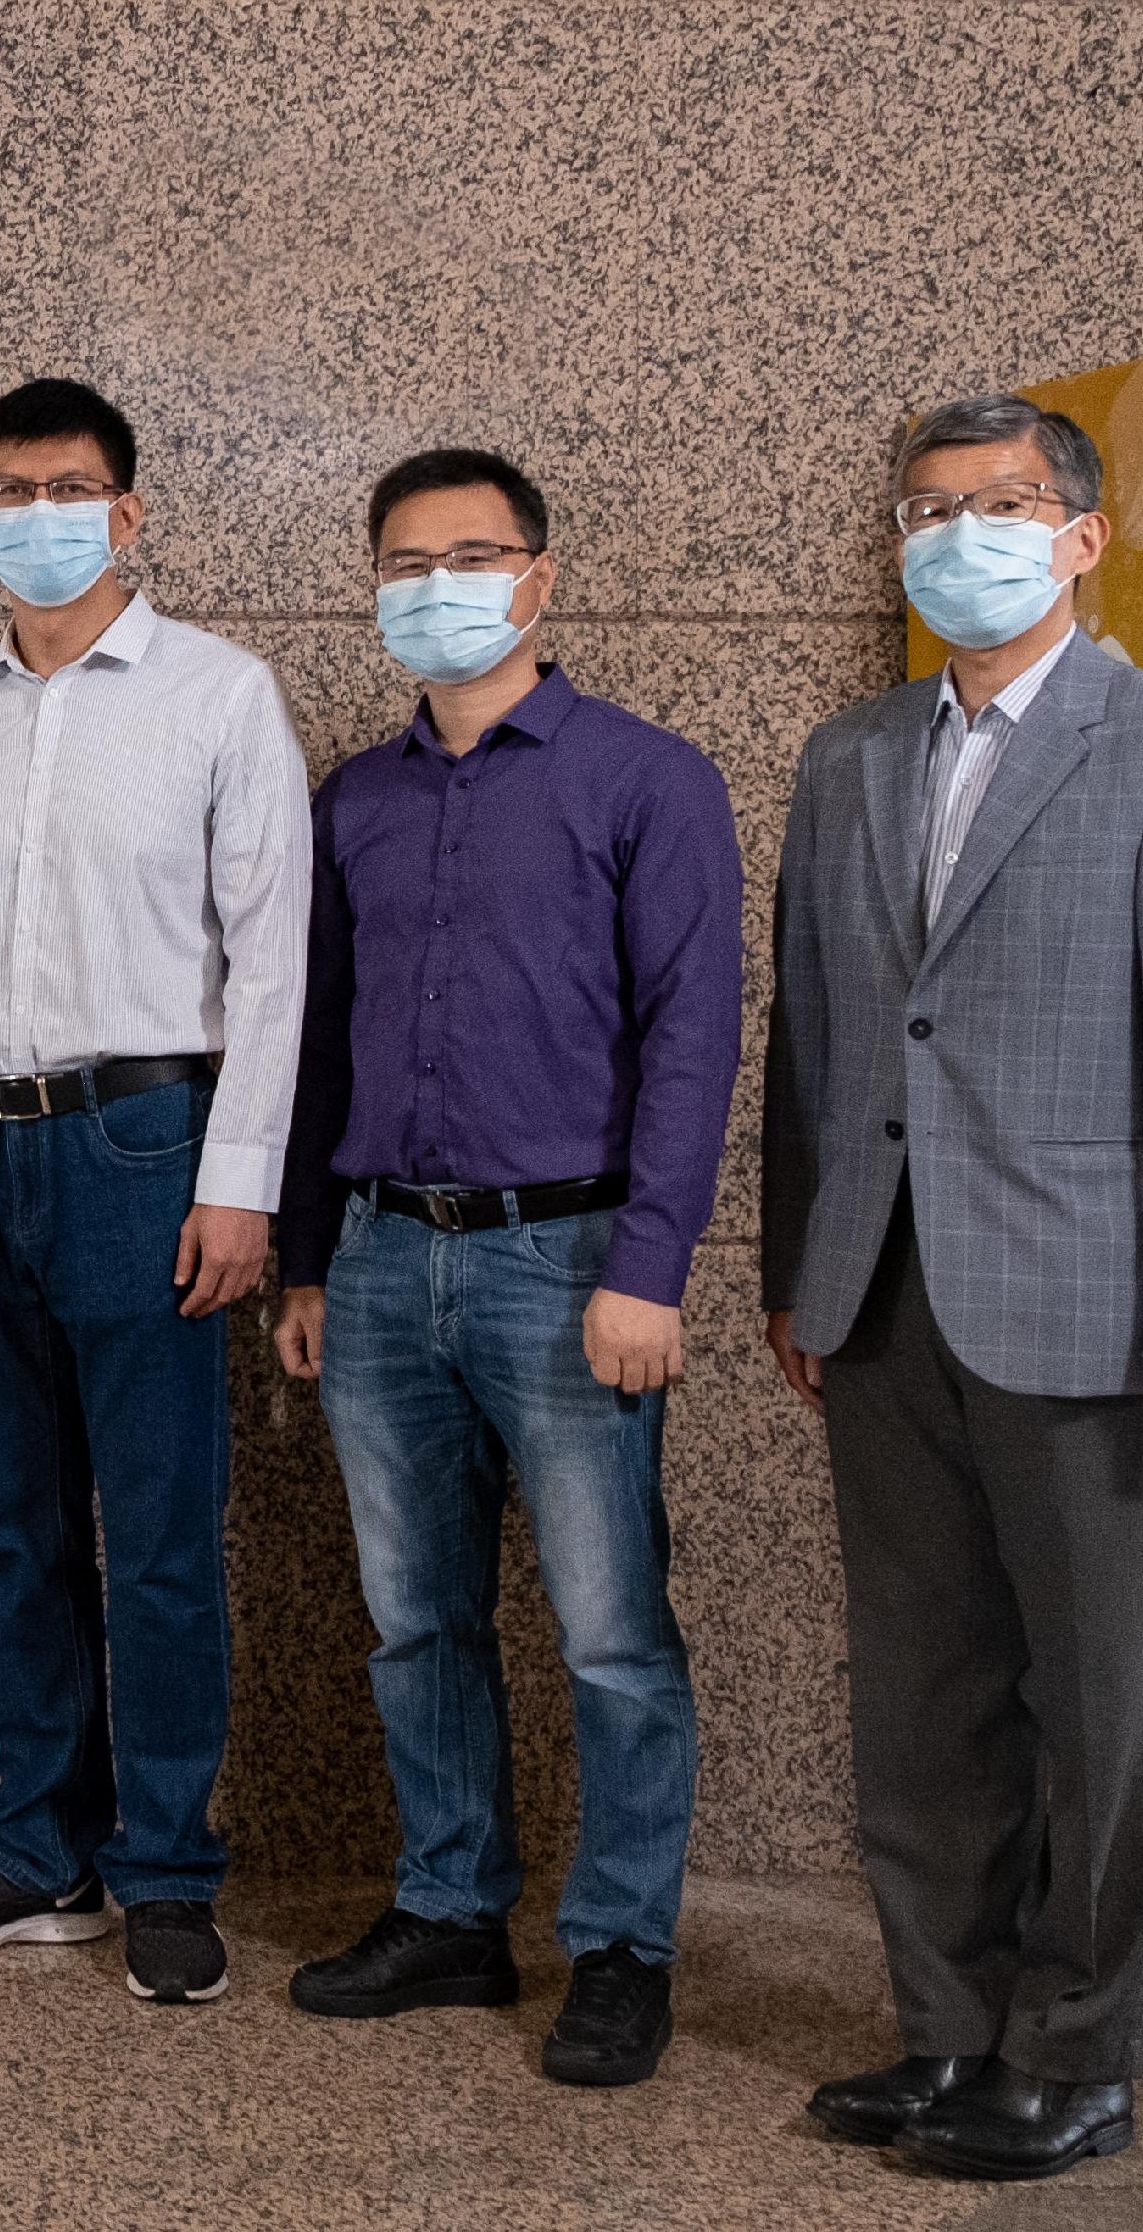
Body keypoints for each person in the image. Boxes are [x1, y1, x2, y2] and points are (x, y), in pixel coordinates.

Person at [765, 395, 1143, 2179]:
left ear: (1082, 533)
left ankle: (1078, 2050)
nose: (957, 535)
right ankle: (952, 2027)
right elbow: (820, 1044)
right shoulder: (849, 754)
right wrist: (796, 1270)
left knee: (1101, 1699)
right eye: (927, 507)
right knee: (923, 1694)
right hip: (884, 1293)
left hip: (1090, 1305)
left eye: (997, 505)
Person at [267, 451, 740, 2085]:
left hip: (573, 1258)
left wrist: (653, 1264)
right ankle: (453, 1910)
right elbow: (320, 1043)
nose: (440, 582)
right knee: (416, 1620)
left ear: (539, 577)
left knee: (612, 1631)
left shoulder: (646, 779)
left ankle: (620, 1946)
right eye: (408, 559)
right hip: (385, 1256)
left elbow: (694, 1033)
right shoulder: (354, 799)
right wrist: (312, 1257)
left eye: (473, 554)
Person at [0, 378, 310, 2008]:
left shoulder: (218, 696)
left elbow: (271, 964)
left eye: (70, 487)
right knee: (17, 1529)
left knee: (162, 1536)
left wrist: (241, 1181)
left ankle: (169, 1863)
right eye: (7, 489)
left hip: (145, 1145)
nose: (38, 513)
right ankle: (36, 1840)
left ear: (129, 513)